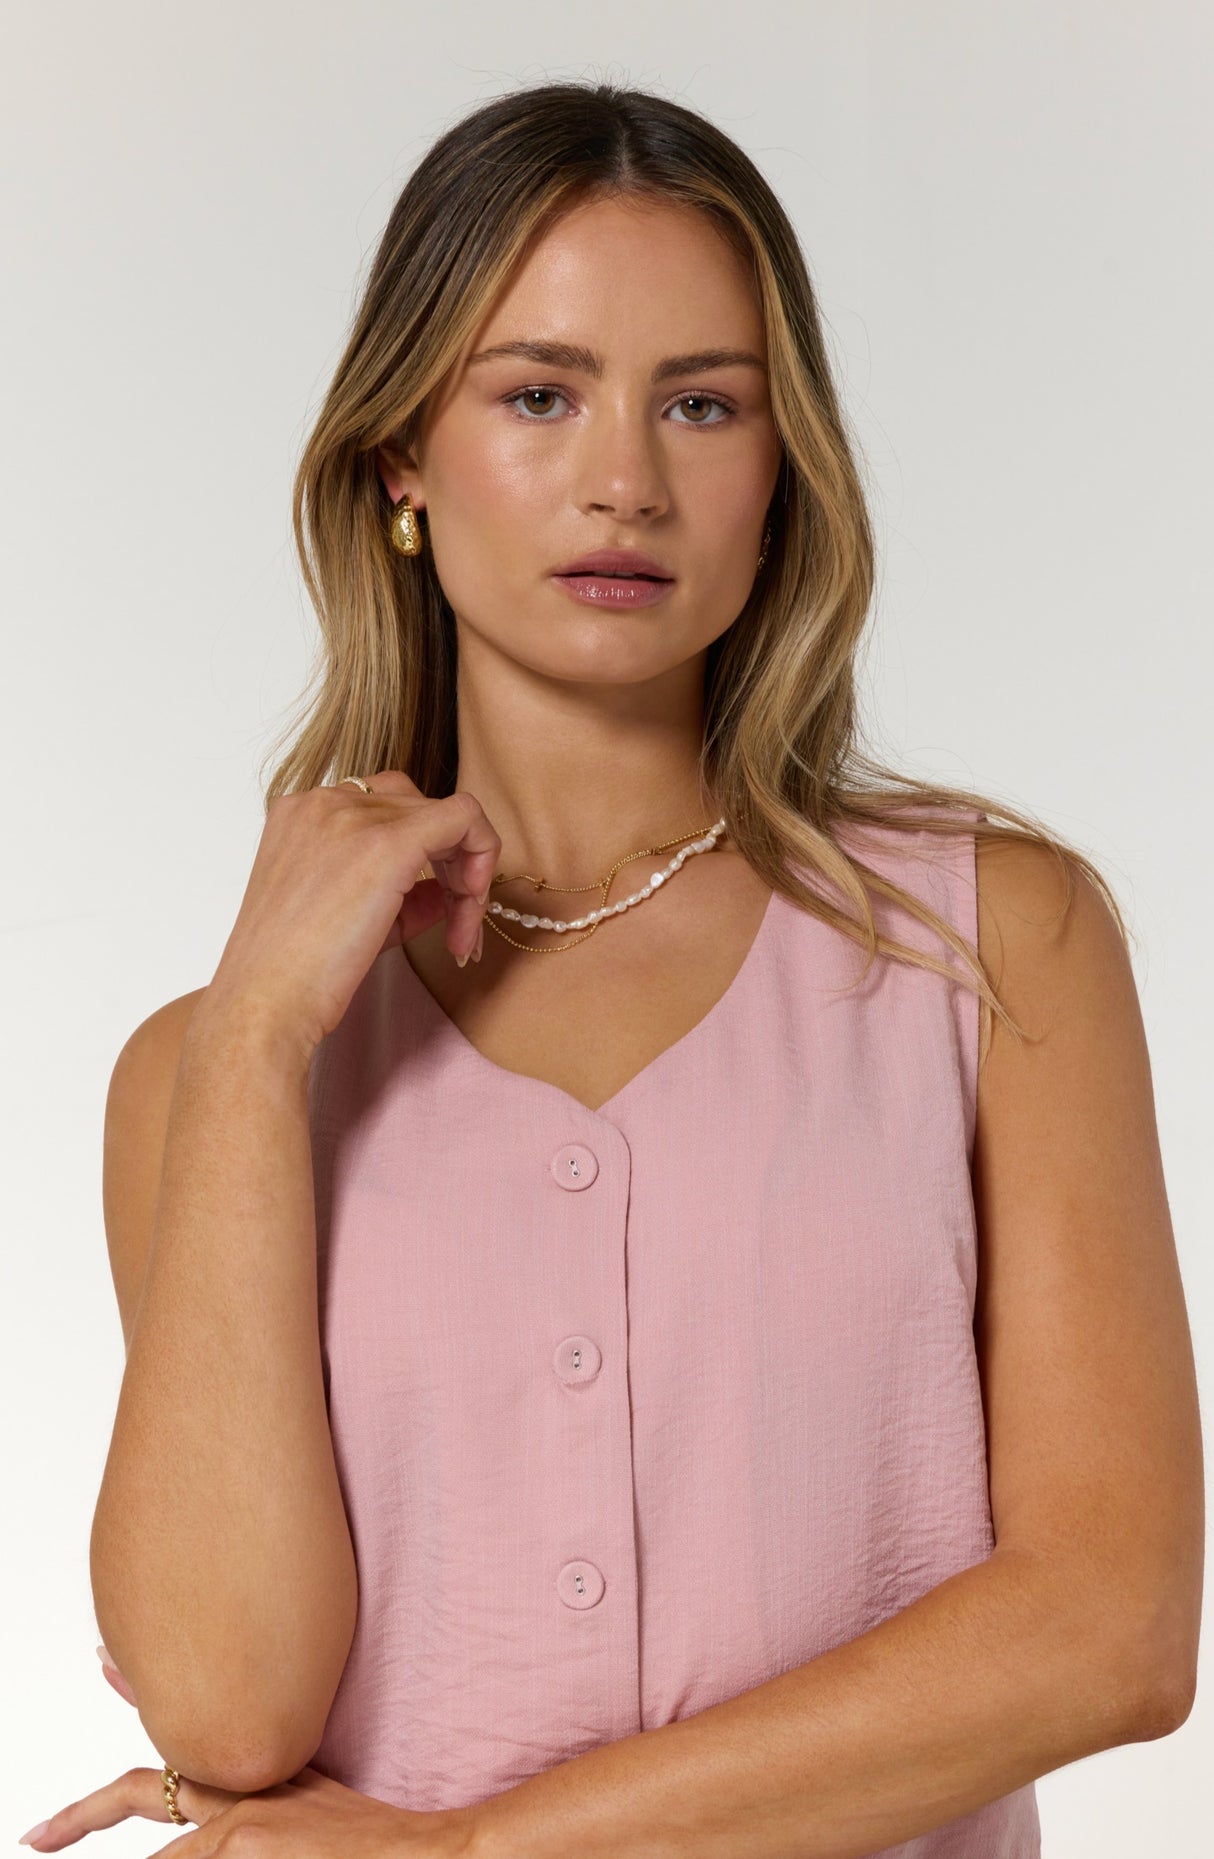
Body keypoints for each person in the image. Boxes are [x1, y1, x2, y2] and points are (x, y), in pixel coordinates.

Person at [22, 80, 1201, 1859]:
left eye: (702, 404)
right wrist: (262, 1035)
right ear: (400, 459)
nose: (625, 481)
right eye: (538, 392)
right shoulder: (205, 1071)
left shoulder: (982, 942)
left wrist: (481, 1851)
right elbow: (227, 1696)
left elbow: (1110, 1630)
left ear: (778, 466)